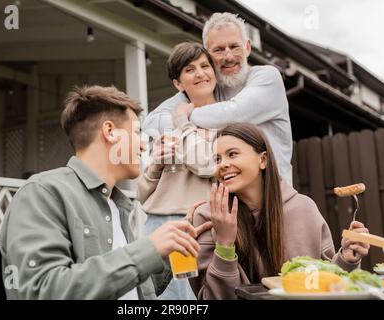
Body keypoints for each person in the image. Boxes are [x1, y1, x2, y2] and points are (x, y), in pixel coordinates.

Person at [0, 85, 211, 299]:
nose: (143, 146)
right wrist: (148, 249)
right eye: (138, 133)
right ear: (110, 132)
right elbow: (42, 290)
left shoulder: (114, 204)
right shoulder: (43, 192)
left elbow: (132, 289)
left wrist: (169, 250)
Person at [190, 123, 370, 300]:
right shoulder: (206, 217)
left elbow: (329, 285)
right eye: (217, 159)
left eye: (232, 154)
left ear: (263, 160)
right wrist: (224, 243)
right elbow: (210, 298)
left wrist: (346, 259)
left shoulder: (304, 209)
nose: (223, 165)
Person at [143, 12, 293, 186]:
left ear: (248, 47)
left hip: (275, 196)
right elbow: (152, 123)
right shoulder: (211, 87)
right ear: (209, 56)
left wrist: (183, 119)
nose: (228, 56)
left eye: (234, 46)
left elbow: (232, 113)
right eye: (219, 50)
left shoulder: (267, 77)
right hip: (234, 203)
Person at [137, 42, 218, 300]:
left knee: (191, 300)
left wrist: (182, 121)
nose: (201, 73)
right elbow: (141, 193)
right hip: (157, 224)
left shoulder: (225, 123)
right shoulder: (161, 120)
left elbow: (207, 166)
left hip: (194, 224)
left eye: (205, 66)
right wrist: (156, 164)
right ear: (178, 84)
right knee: (151, 299)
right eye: (190, 69)